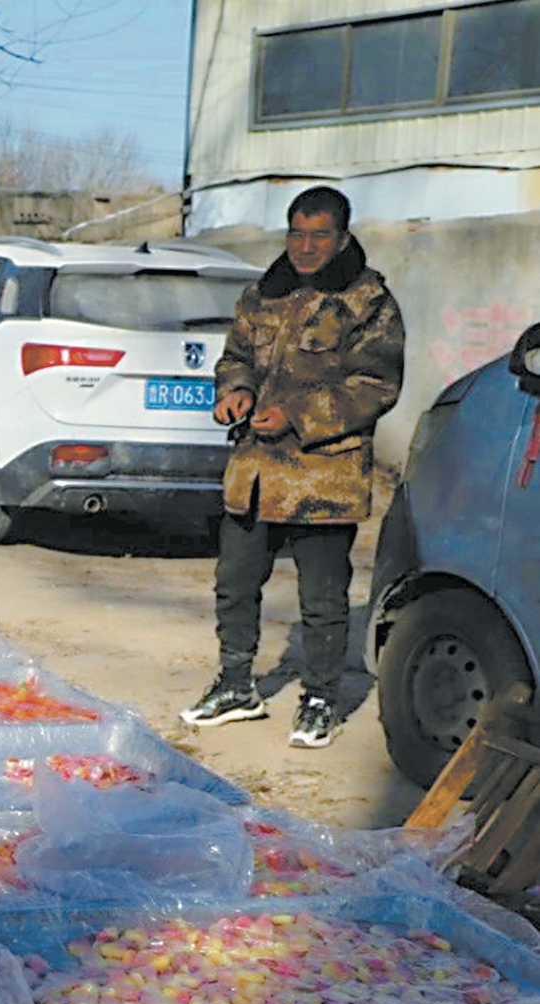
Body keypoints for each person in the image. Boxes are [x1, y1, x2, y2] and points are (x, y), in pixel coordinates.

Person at [180, 186, 404, 749]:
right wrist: (235, 392)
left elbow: (376, 385)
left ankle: (322, 698)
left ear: (343, 237)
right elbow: (236, 358)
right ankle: (237, 686)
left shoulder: (368, 301)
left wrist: (297, 415)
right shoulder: (263, 295)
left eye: (319, 235)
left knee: (323, 600)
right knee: (234, 583)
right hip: (255, 471)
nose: (305, 247)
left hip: (324, 476)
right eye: (297, 234)